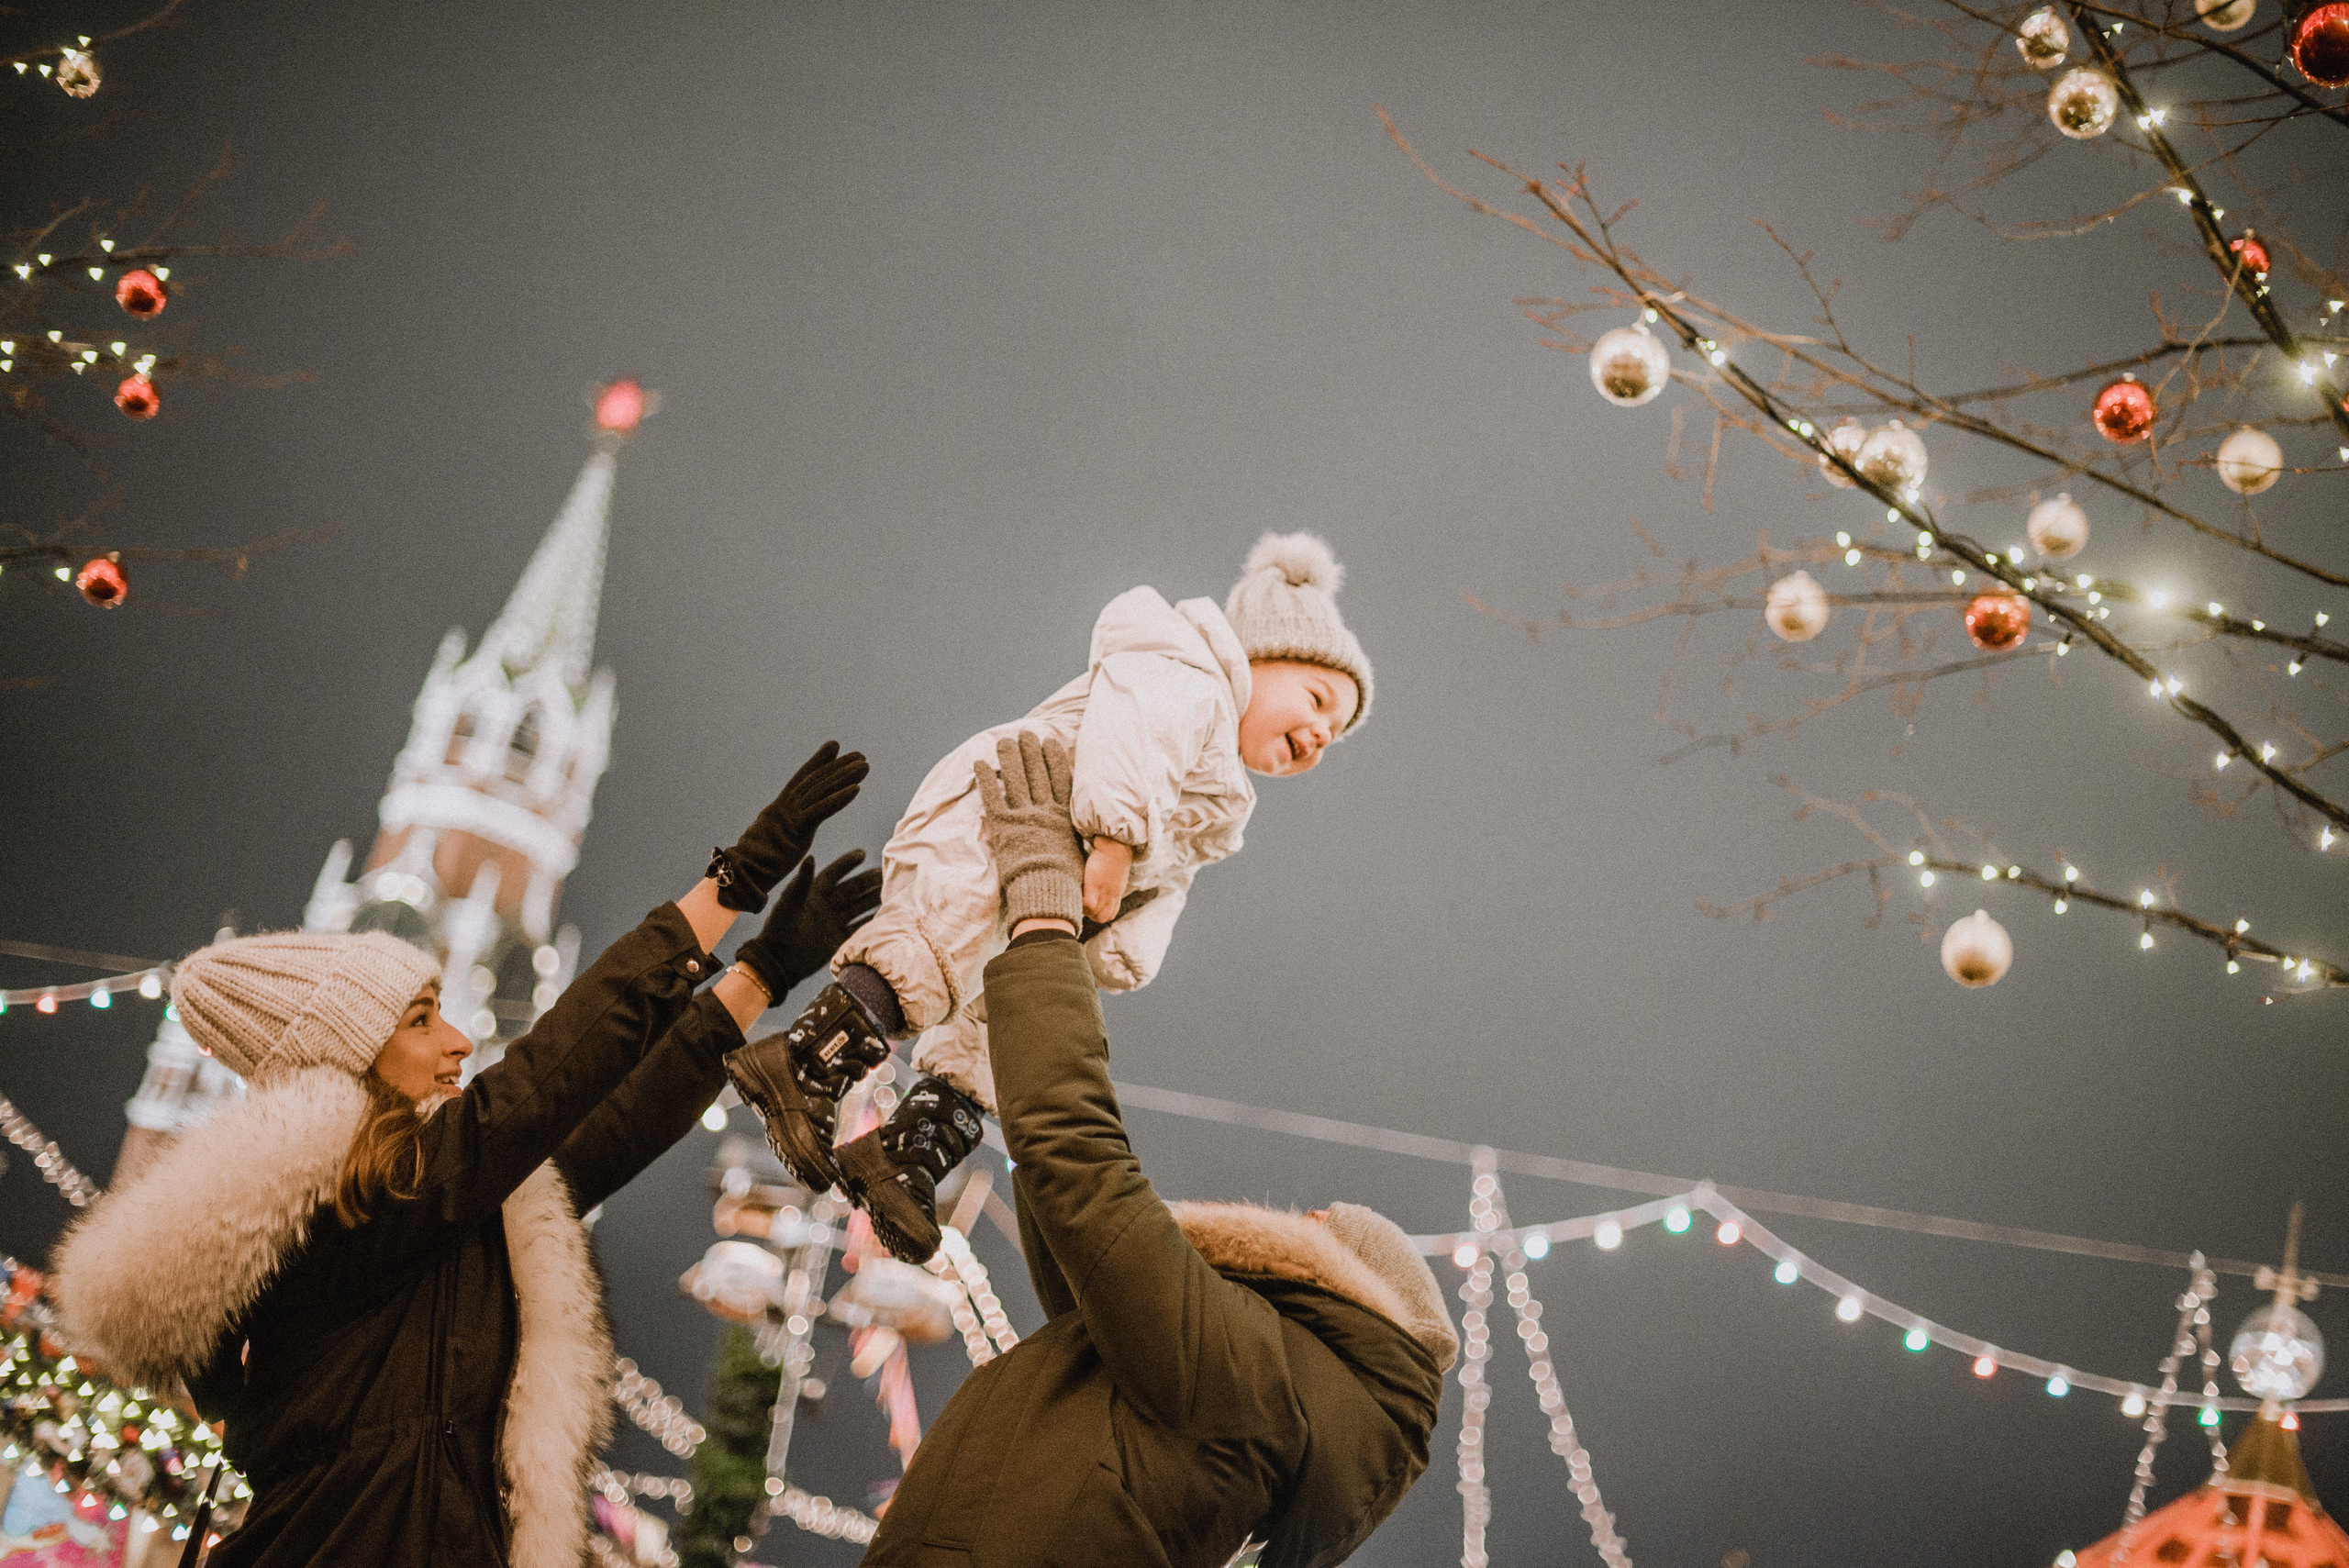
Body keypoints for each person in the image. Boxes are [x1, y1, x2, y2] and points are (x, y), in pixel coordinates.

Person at [50, 743, 877, 1568]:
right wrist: (730, 884)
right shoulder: (347, 1208)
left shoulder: (443, 1209)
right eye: (420, 1019)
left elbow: (608, 1126)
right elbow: (548, 1078)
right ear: (352, 1053)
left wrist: (758, 977)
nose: (459, 1038)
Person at [862, 733, 1453, 1567]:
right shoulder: (1262, 1400)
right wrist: (1017, 1041)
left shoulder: (1261, 1379)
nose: (1299, 1220)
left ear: (1342, 1281)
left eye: (1320, 1223)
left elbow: (1087, 1178)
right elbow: (1087, 1259)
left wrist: (1042, 914)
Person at [728, 533, 1375, 1262]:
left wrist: (1131, 945)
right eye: (1318, 699)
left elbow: (1175, 873)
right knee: (935, 948)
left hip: (1057, 900)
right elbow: (1133, 746)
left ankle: (903, 1157)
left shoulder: (1222, 799)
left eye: (1335, 735)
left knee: (1005, 1029)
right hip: (998, 824)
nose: (1320, 733)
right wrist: (1115, 841)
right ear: (1255, 655)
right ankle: (805, 1060)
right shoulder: (1186, 676)